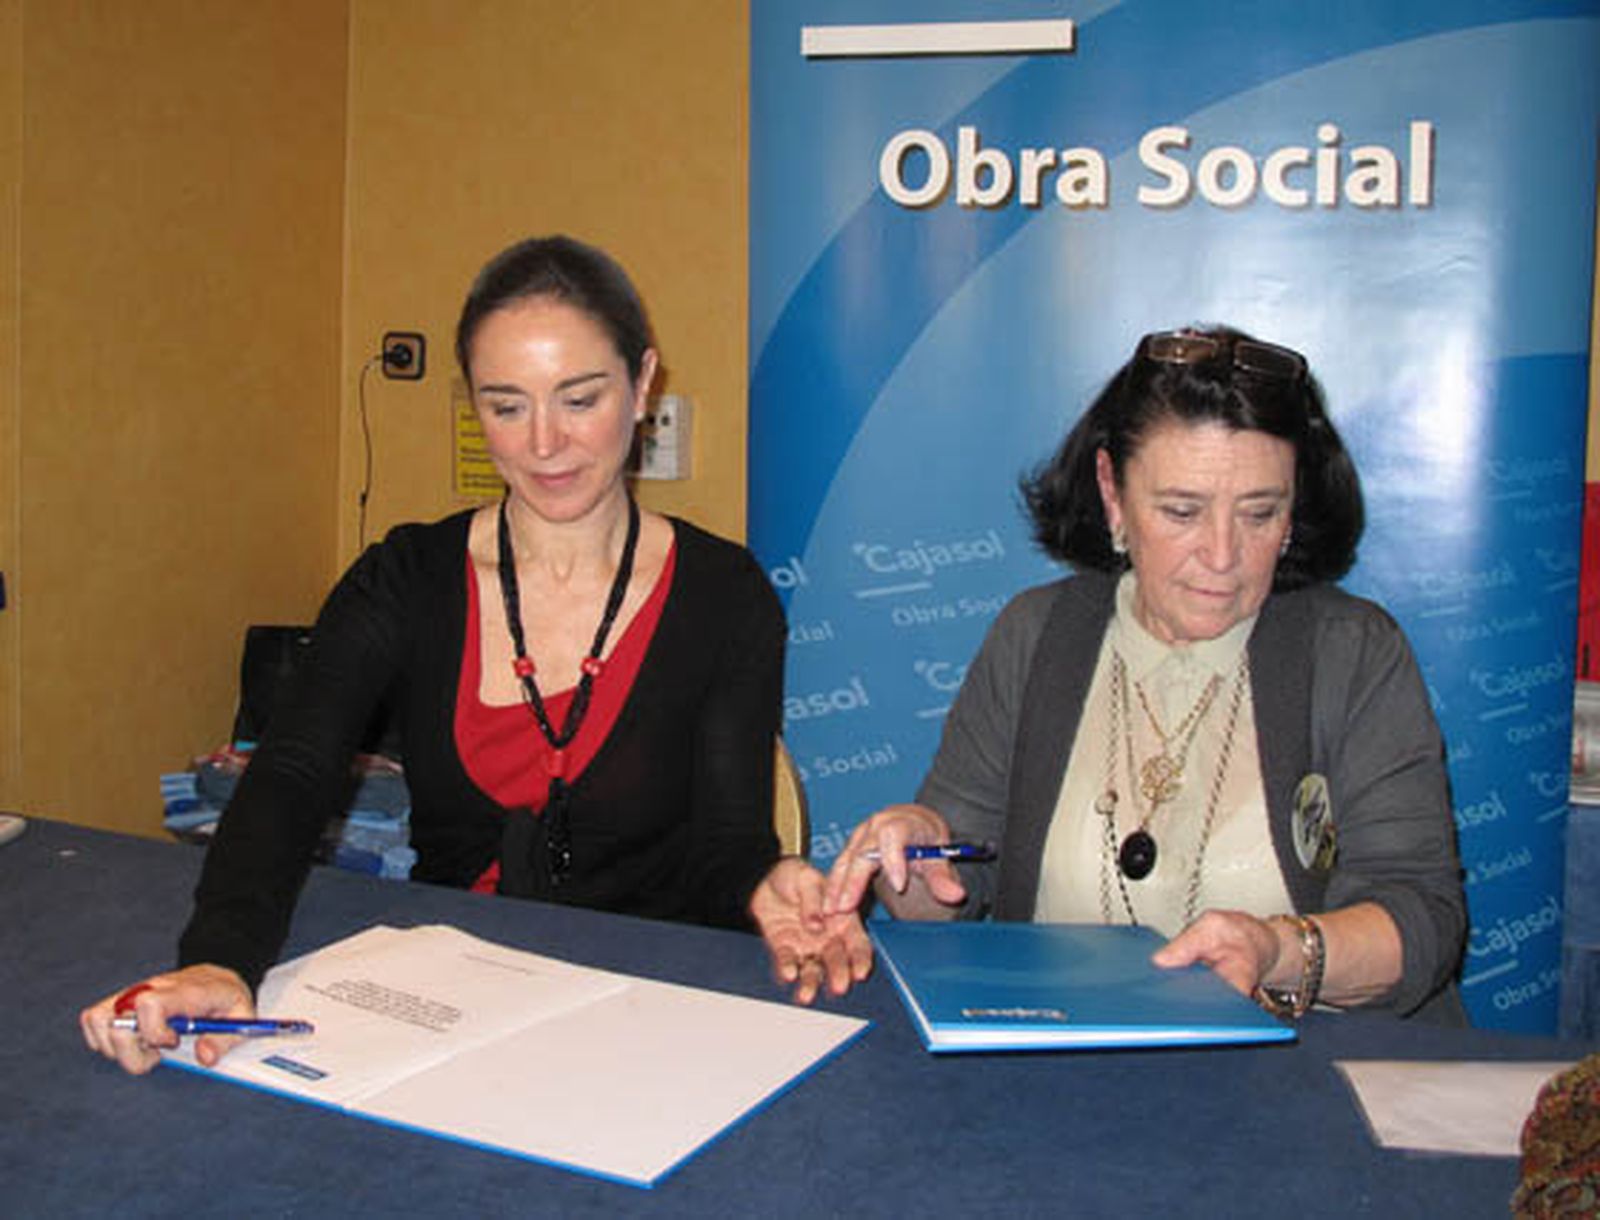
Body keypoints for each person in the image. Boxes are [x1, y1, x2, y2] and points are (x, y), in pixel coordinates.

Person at [83, 235, 869, 1074]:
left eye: (580, 399)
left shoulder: (725, 594)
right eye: (506, 406)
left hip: (653, 1012)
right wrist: (219, 957)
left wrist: (760, 882)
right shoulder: (405, 578)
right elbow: (291, 773)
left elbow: (726, 841)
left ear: (643, 384)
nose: (544, 444)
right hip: (450, 1009)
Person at [825, 325, 1467, 1022]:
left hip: (1298, 1063)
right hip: (1065, 1061)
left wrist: (1278, 951)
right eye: (1182, 511)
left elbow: (1423, 922)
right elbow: (950, 897)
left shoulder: (1354, 651)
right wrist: (913, 864)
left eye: (1260, 513)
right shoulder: (1036, 634)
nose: (1222, 555)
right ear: (1112, 493)